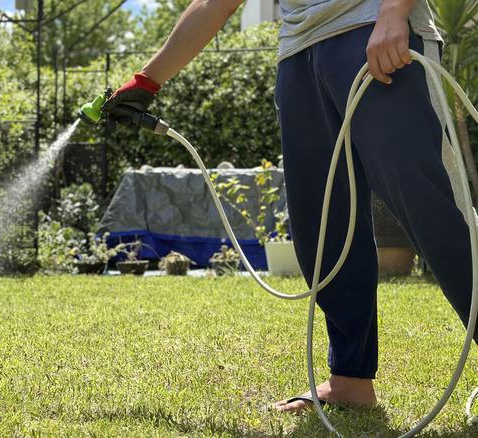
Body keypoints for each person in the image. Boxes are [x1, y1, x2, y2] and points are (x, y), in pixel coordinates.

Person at [104, 0, 474, 413]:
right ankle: (349, 379)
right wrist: (147, 81)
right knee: (323, 225)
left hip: (376, 30)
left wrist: (394, 11)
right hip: (300, 51)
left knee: (431, 209)